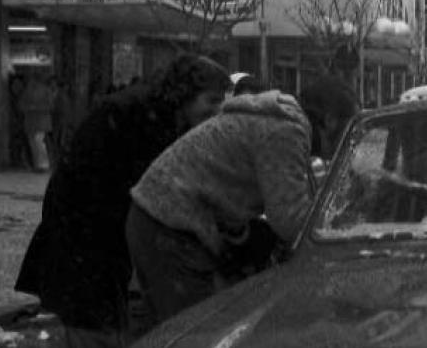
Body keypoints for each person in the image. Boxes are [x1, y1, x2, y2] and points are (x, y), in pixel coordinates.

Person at [15, 54, 231, 347]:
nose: (218, 111)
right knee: (91, 323)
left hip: (99, 231)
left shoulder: (162, 116)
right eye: (212, 99)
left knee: (99, 317)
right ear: (187, 93)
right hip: (87, 231)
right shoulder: (139, 115)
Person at [125, 76, 359, 327]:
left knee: (182, 329)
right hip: (171, 226)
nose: (350, 142)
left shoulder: (279, 121)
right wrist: (344, 239)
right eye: (349, 128)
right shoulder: (286, 129)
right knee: (199, 332)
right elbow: (290, 221)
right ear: (332, 120)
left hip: (157, 219)